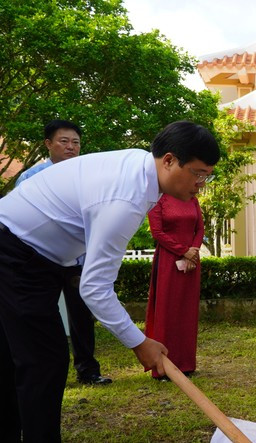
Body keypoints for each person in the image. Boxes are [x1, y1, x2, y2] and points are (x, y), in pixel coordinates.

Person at [0, 120, 220, 441]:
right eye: (199, 173)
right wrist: (139, 342)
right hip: (14, 252)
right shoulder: (126, 198)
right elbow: (95, 287)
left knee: (16, 355)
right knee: (44, 361)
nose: (202, 183)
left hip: (36, 255)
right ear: (170, 160)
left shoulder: (139, 169)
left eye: (207, 175)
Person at [14, 120, 112, 386]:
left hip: (77, 258)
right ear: (48, 144)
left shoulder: (88, 175)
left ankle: (87, 370)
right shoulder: (31, 177)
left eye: (76, 142)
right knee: (41, 313)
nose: (71, 147)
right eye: (64, 141)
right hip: (41, 258)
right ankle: (43, 370)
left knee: (81, 314)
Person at [145, 191, 206, 379]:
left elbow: (200, 229)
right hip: (168, 261)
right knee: (167, 310)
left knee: (187, 311)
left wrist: (192, 252)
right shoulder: (157, 198)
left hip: (191, 261)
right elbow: (157, 232)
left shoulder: (191, 198)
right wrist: (182, 251)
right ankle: (164, 366)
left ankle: (186, 363)